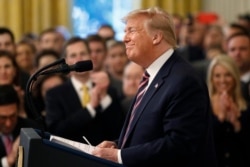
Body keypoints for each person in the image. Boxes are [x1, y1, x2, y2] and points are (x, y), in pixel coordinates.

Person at [91, 7, 217, 167]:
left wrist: (120, 155)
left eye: (131, 31)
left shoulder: (183, 80)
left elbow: (179, 144)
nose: (125, 38)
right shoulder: (153, 75)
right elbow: (150, 133)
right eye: (125, 31)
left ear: (156, 37)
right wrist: (118, 145)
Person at [45, 36, 124, 145]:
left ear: (90, 57)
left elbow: (118, 129)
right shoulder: (55, 94)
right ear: (66, 61)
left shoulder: (109, 91)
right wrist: (90, 108)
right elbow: (56, 130)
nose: (79, 59)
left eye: (83, 54)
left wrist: (104, 97)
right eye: (73, 55)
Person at [207, 55, 250, 167]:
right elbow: (204, 142)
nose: (222, 80)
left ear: (235, 77)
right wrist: (220, 117)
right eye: (217, 76)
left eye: (227, 75)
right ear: (211, 79)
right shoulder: (204, 104)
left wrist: (236, 124)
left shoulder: (245, 104)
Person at [0, 84, 39, 167]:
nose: (8, 123)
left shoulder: (31, 129)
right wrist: (9, 160)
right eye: (2, 118)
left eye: (12, 116)